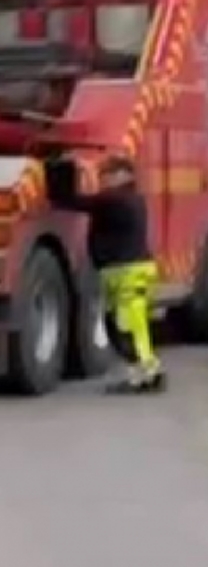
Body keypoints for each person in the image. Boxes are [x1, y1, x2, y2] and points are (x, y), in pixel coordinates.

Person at [45, 152, 164, 393]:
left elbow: (75, 202)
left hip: (126, 272)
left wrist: (56, 177)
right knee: (128, 326)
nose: (103, 179)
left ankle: (146, 375)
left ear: (125, 175)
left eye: (108, 175)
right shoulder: (129, 199)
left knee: (127, 328)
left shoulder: (118, 200)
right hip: (126, 272)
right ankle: (145, 373)